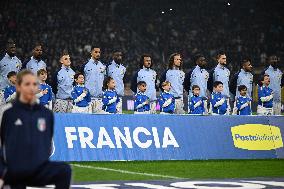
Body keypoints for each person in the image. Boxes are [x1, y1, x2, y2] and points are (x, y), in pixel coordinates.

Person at [0, 70, 71, 188]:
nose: (31, 88)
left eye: (34, 84)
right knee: (16, 179)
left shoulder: (46, 114)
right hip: (16, 169)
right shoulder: (9, 113)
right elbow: (2, 145)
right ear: (18, 87)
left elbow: (47, 143)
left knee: (65, 170)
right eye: (27, 84)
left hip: (38, 167)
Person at [81, 46, 106, 113]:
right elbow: (78, 80)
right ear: (91, 53)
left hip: (99, 99)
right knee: (86, 121)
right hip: (87, 99)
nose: (98, 54)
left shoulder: (103, 66)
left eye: (99, 52)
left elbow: (106, 81)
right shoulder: (85, 65)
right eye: (96, 52)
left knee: (98, 121)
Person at [0, 40, 22, 106]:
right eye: (11, 48)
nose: (13, 49)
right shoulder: (1, 60)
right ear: (6, 49)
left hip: (14, 92)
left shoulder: (18, 61)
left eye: (14, 47)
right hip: (2, 91)